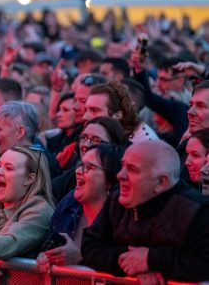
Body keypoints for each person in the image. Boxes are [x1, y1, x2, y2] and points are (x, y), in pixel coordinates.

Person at [82, 141, 209, 282]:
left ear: (161, 182)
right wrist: (130, 264)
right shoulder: (116, 199)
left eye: (132, 169)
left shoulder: (197, 211)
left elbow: (203, 264)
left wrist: (152, 260)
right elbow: (90, 246)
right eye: (123, 165)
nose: (120, 175)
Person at [37, 144, 124, 272]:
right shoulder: (69, 203)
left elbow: (124, 265)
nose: (78, 171)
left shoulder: (120, 219)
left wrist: (80, 257)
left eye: (88, 167)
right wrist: (44, 257)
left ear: (109, 181)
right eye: (80, 165)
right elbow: (47, 248)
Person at [52, 117, 127, 202]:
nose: (86, 144)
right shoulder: (62, 184)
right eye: (84, 137)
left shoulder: (123, 191)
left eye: (96, 140)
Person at [83, 81, 157, 142]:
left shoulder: (142, 144)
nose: (84, 117)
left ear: (118, 115)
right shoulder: (86, 139)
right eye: (86, 110)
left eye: (94, 110)